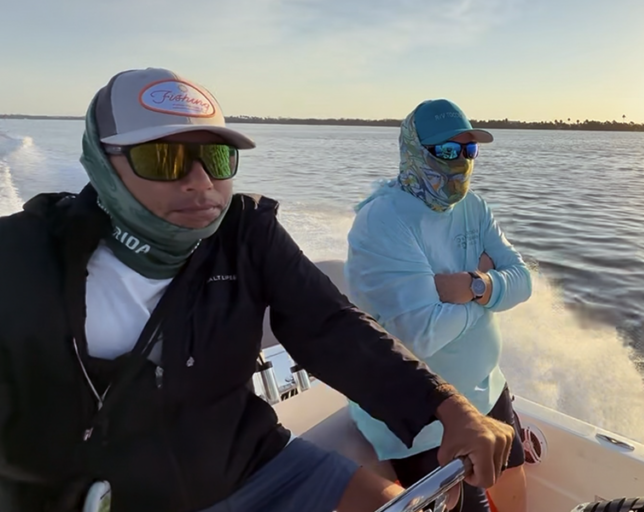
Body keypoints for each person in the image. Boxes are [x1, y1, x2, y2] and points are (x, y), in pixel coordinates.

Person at [0, 69, 514, 512]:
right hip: (93, 491)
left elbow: (331, 325)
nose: (201, 182)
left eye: (218, 159)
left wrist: (446, 406)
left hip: (250, 462)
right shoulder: (22, 259)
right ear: (101, 162)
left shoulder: (245, 233)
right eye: (164, 158)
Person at [344, 99, 533, 512]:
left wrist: (473, 286)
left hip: (489, 386)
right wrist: (487, 298)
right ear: (414, 151)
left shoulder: (474, 207)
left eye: (469, 150)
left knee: (516, 480)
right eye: (446, 151)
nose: (460, 162)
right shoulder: (384, 220)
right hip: (426, 412)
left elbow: (523, 281)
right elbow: (419, 336)